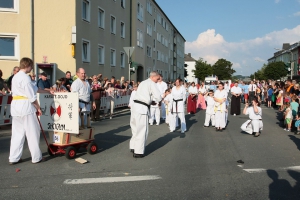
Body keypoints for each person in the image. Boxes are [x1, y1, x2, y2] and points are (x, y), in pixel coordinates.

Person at [9, 57, 52, 164]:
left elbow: (36, 89)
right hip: (25, 107)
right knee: (33, 132)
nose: (32, 68)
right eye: (31, 66)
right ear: (27, 66)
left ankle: (14, 157)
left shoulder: (15, 77)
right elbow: (32, 96)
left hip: (15, 107)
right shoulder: (25, 78)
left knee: (17, 133)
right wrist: (38, 108)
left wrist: (48, 91)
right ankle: (36, 157)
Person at [130, 71, 162, 158]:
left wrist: (150, 101)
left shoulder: (143, 82)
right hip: (142, 109)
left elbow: (142, 96)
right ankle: (138, 152)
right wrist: (158, 100)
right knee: (142, 130)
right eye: (157, 78)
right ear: (153, 77)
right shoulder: (152, 83)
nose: (158, 80)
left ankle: (133, 146)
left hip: (135, 106)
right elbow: (158, 96)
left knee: (135, 128)